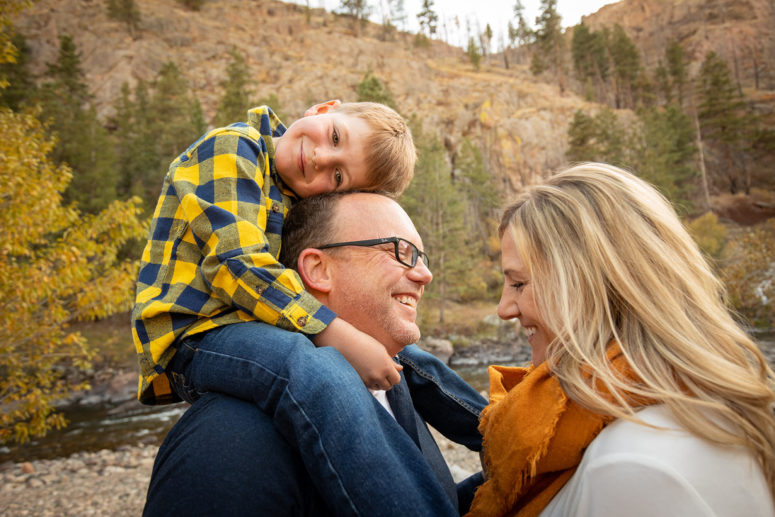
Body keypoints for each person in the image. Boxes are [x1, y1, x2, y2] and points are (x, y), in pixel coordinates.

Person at [144, 192, 487, 517]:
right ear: (318, 270)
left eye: (422, 258)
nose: (424, 274)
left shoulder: (392, 384)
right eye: (401, 251)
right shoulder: (227, 442)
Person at [466, 162, 775, 516]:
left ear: (591, 287)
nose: (504, 308)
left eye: (519, 283)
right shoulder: (709, 411)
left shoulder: (632, 469)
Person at [133, 100, 416, 410]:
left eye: (338, 176)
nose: (320, 157)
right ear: (323, 109)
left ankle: (477, 427)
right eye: (335, 137)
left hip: (255, 324)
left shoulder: (297, 197)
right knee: (315, 367)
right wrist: (334, 332)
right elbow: (235, 264)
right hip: (193, 335)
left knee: (403, 360)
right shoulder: (234, 146)